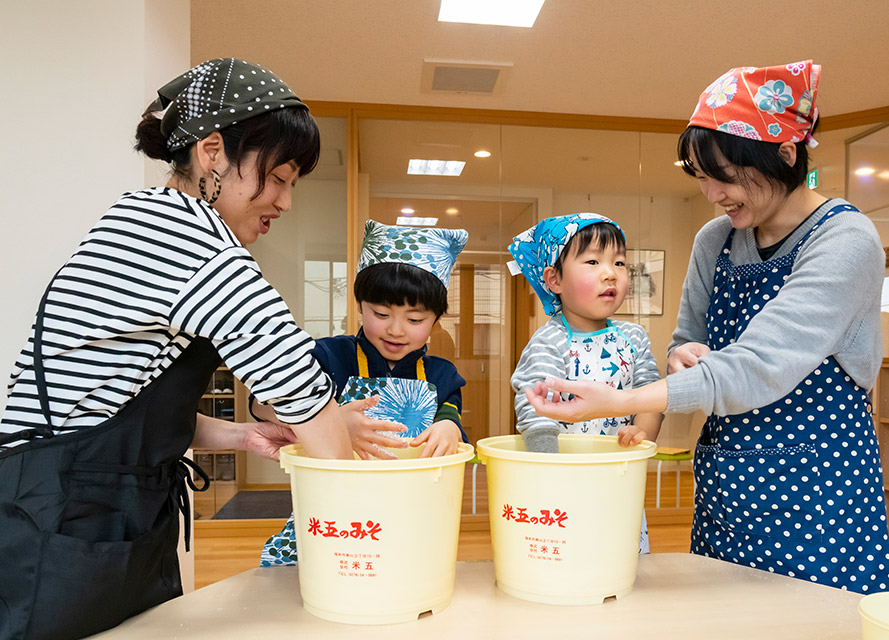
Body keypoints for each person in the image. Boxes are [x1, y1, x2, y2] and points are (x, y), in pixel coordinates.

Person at [0, 59, 360, 640]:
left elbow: (113, 398)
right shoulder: (190, 240)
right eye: (279, 176)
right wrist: (362, 519)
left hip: (88, 500)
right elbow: (297, 386)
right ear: (212, 151)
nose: (285, 202)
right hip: (62, 514)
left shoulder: (141, 218)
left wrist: (239, 435)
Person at [523, 61, 889, 594]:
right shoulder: (714, 240)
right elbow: (686, 342)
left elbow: (756, 366)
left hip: (818, 489)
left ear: (785, 155)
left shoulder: (845, 241)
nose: (713, 193)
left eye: (724, 176)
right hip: (727, 482)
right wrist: (682, 356)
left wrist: (613, 402)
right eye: (701, 177)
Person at [256, 219, 469, 566]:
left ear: (436, 319)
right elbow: (261, 404)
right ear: (359, 305)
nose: (396, 330)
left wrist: (448, 427)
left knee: (403, 572)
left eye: (415, 320)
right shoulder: (328, 355)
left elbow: (449, 409)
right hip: (335, 505)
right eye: (381, 313)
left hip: (410, 508)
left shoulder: (441, 373)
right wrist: (325, 417)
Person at [508, 213, 662, 551]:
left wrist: (643, 434)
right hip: (565, 482)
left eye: (619, 263)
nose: (611, 273)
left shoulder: (634, 337)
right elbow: (535, 409)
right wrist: (549, 475)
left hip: (621, 476)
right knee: (572, 556)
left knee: (619, 555)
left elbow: (652, 395)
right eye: (593, 261)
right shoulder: (551, 341)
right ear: (554, 280)